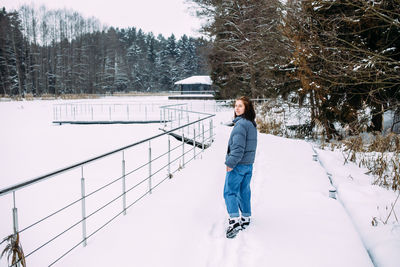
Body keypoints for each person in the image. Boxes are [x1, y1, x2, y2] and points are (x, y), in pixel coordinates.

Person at [224, 96, 258, 238]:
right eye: (235, 105)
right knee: (244, 191)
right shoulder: (251, 124)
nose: (236, 108)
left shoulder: (241, 125)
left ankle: (234, 221)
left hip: (238, 165)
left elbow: (238, 149)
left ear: (246, 108)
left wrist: (230, 163)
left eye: (240, 106)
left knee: (229, 192)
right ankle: (245, 217)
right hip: (248, 165)